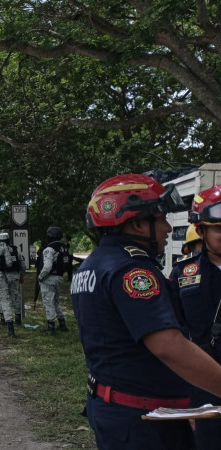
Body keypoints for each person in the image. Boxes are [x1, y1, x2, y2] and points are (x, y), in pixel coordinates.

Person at [72, 173, 221, 449]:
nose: (167, 228)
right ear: (138, 224)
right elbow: (169, 346)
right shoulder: (133, 270)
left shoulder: (92, 265)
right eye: (161, 219)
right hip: (143, 422)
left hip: (120, 409)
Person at [172, 185, 221, 448]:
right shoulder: (181, 276)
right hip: (203, 393)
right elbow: (172, 339)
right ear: (201, 230)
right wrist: (186, 402)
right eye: (219, 228)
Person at [38, 226, 70, 335]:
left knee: (48, 302)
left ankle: (51, 327)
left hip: (49, 278)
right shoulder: (63, 247)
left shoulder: (49, 249)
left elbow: (47, 266)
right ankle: (62, 324)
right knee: (56, 301)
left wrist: (41, 276)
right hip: (60, 277)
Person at [0, 232, 25, 324]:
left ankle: (3, 318)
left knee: (2, 297)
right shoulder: (15, 250)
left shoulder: (0, 249)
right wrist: (21, 275)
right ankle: (18, 318)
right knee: (15, 297)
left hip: (3, 276)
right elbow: (22, 263)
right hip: (14, 276)